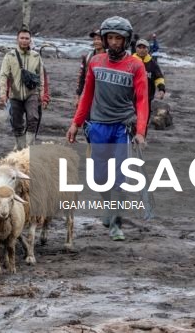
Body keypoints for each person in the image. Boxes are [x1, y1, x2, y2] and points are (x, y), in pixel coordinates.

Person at [66, 16, 148, 241]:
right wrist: (76, 123)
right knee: (99, 177)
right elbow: (87, 95)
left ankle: (115, 224)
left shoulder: (136, 65)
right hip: (98, 126)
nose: (113, 42)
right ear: (104, 39)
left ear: (126, 41)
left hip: (123, 127)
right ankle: (108, 207)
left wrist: (140, 131)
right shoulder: (96, 62)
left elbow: (142, 101)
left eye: (118, 38)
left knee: (119, 177)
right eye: (110, 37)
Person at [0, 28, 46, 150]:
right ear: (17, 39)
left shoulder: (36, 56)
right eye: (22, 38)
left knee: (33, 118)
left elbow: (41, 76)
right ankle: (20, 147)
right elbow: (3, 75)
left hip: (32, 93)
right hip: (15, 94)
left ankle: (29, 147)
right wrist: (3, 94)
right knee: (16, 123)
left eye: (27, 38)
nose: (24, 41)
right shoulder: (10, 56)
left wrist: (42, 94)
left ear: (30, 40)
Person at [133, 38, 166, 134]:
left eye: (144, 47)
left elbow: (159, 77)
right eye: (139, 47)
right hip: (130, 98)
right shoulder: (130, 61)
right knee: (130, 121)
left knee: (144, 120)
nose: (142, 50)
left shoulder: (153, 64)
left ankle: (142, 138)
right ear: (136, 48)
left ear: (148, 49)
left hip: (146, 98)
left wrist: (161, 90)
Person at [76, 29, 105, 106]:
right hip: (89, 93)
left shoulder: (110, 57)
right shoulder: (88, 57)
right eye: (94, 39)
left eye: (99, 39)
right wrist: (78, 96)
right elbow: (82, 77)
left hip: (104, 96)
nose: (96, 42)